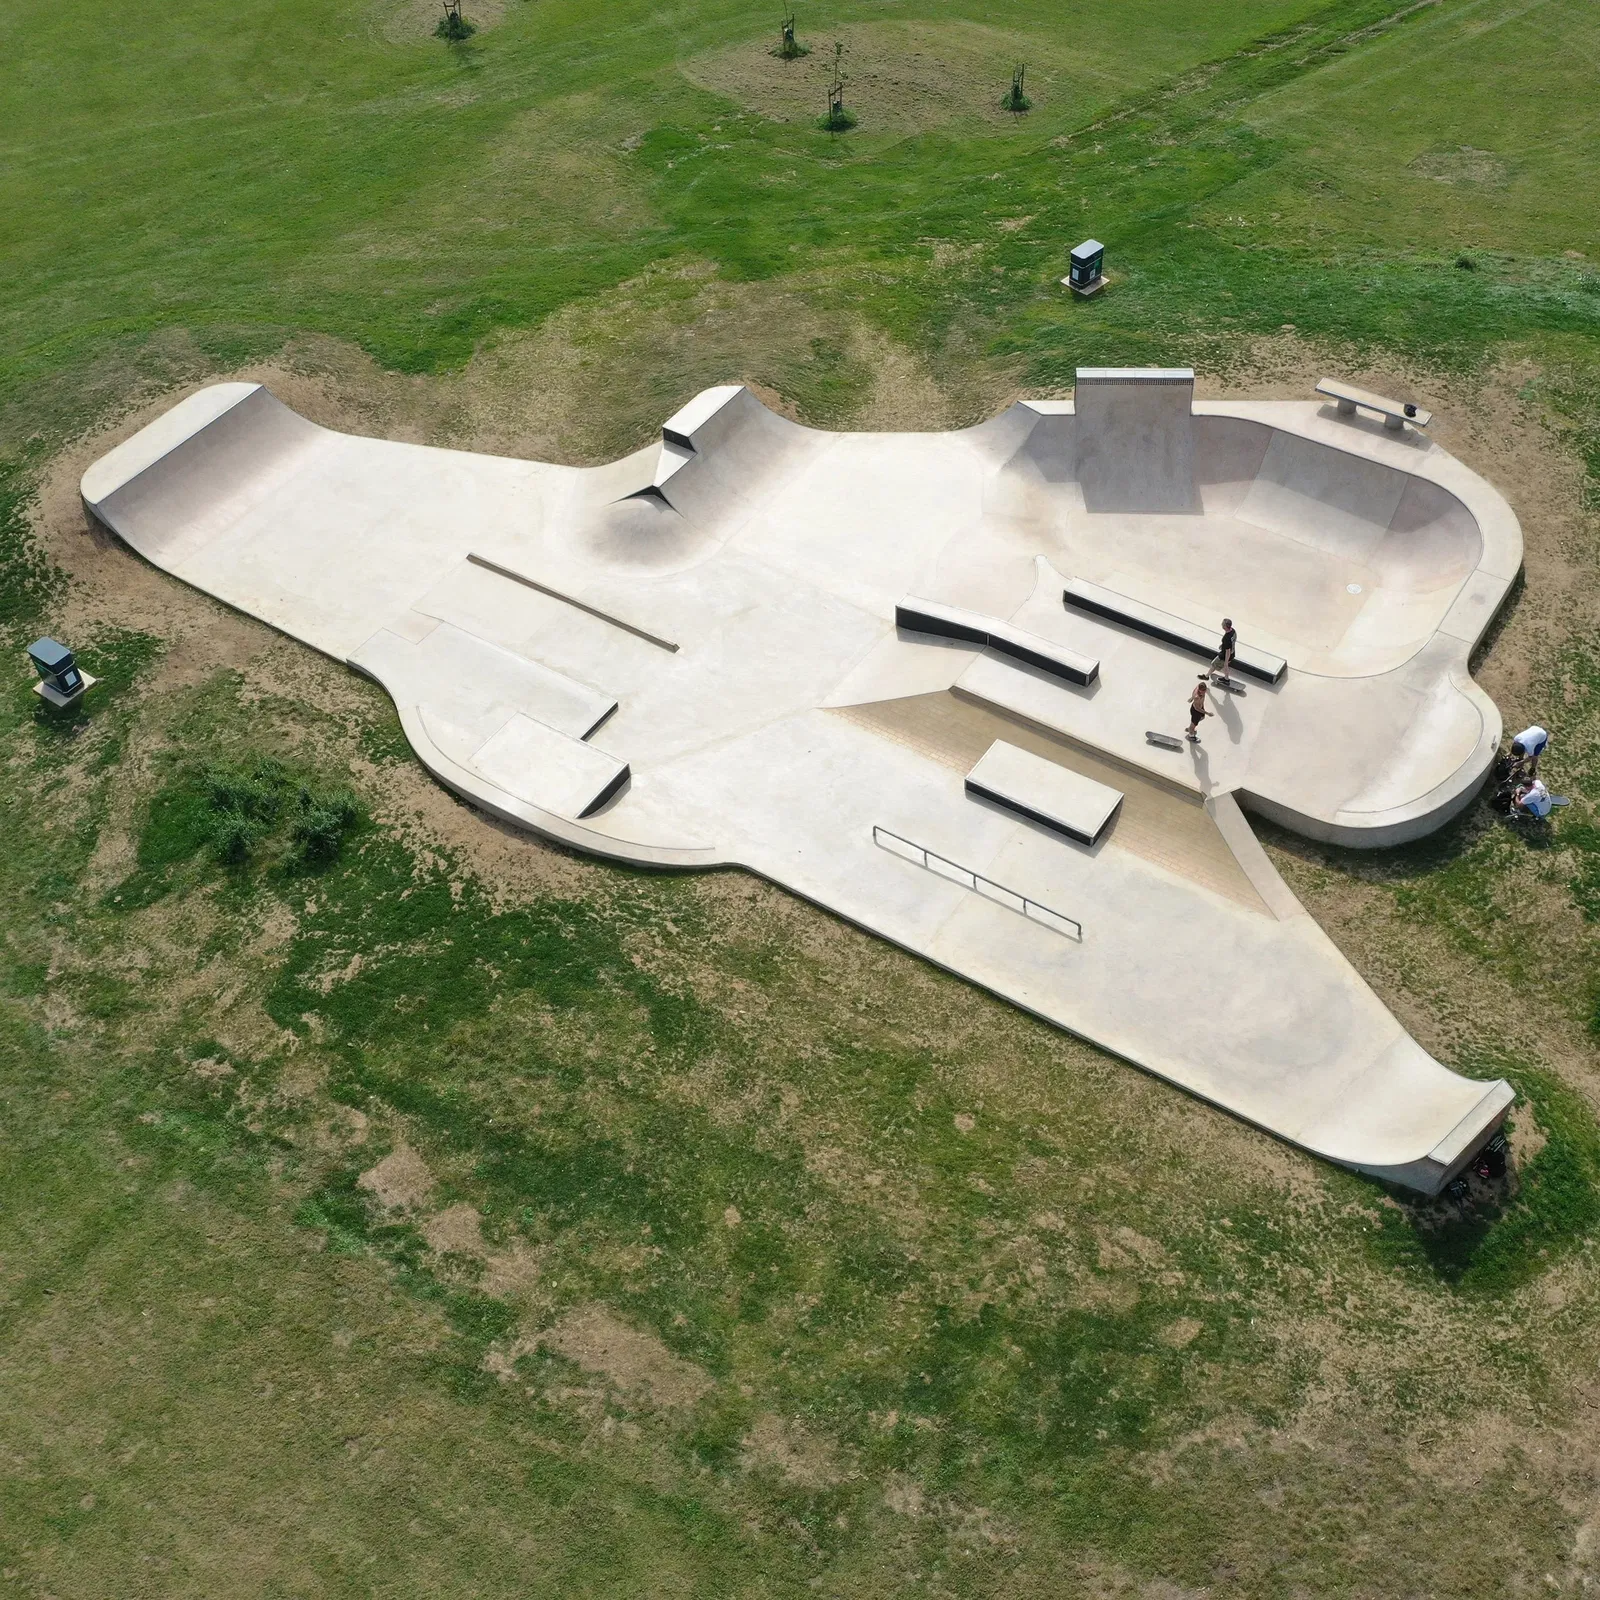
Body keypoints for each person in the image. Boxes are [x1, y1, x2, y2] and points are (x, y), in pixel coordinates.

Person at [1185, 674, 1212, 742]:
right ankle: (1190, 736)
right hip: (1196, 711)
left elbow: (1196, 688)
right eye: (1203, 691)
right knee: (1194, 724)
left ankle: (1190, 727)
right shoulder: (1197, 697)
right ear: (1199, 690)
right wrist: (1208, 713)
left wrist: (1191, 698)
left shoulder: (1200, 688)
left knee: (1202, 717)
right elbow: (1197, 708)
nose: (1204, 692)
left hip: (1200, 707)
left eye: (1205, 690)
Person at [1210, 618, 1237, 683]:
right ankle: (1226, 678)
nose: (1221, 624)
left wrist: (1226, 661)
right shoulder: (1233, 631)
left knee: (1214, 663)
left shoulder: (1226, 638)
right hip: (1232, 653)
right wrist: (1223, 645)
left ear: (1225, 626)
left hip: (1225, 655)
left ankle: (1226, 679)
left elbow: (1228, 651)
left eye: (1222, 624)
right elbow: (1233, 641)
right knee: (1225, 667)